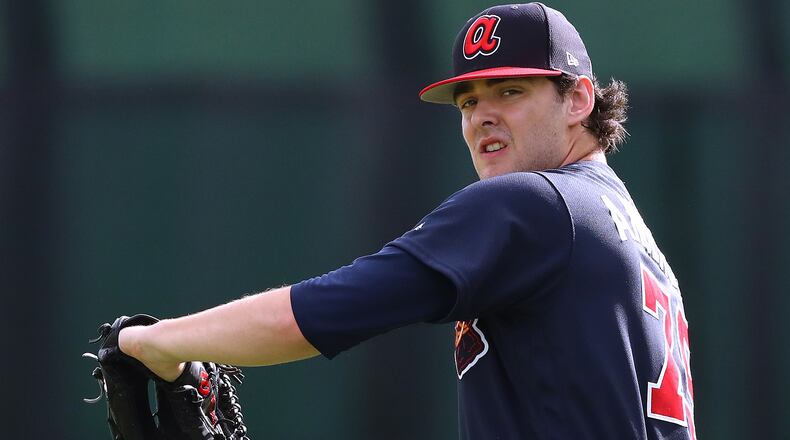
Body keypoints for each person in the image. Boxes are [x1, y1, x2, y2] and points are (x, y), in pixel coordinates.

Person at [119, 3, 696, 439]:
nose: (481, 117)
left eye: (510, 91)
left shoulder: (534, 204)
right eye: (468, 102)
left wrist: (156, 341)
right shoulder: (627, 230)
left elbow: (318, 313)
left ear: (579, 101)